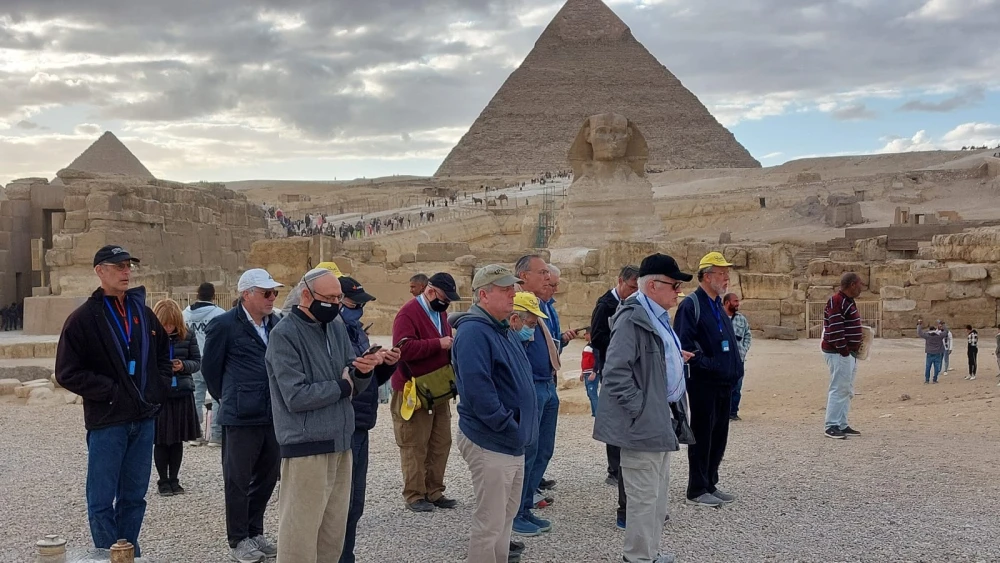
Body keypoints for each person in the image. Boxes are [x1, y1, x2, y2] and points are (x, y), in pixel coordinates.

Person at [55, 245, 171, 557]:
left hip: (143, 419)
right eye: (118, 266)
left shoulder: (142, 313)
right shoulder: (82, 319)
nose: (126, 272)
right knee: (102, 498)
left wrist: (156, 387)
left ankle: (128, 551)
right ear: (100, 272)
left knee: (135, 496)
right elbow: (66, 372)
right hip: (108, 421)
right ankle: (108, 553)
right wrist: (110, 391)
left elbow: (164, 354)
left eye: (128, 266)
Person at [265, 268, 382, 563]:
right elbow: (296, 395)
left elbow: (350, 379)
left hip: (340, 443)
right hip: (307, 448)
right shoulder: (284, 335)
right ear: (306, 295)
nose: (334, 304)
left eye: (337, 298)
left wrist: (362, 371)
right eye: (328, 298)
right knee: (299, 540)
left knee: (332, 538)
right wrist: (344, 384)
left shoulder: (336, 329)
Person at [594, 253, 694, 563]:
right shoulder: (631, 318)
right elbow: (615, 373)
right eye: (674, 284)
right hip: (643, 424)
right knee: (643, 497)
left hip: (660, 419)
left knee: (657, 496)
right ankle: (637, 557)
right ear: (652, 286)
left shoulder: (657, 317)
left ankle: (649, 553)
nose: (678, 291)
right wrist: (642, 408)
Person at [452, 266, 538, 563]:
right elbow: (478, 392)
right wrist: (509, 424)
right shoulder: (474, 332)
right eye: (505, 289)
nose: (513, 294)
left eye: (512, 288)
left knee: (505, 518)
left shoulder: (502, 328)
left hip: (511, 441)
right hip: (493, 439)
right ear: (484, 294)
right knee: (489, 522)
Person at [202, 268, 284, 563]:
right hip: (241, 415)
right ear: (246, 294)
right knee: (237, 479)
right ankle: (238, 538)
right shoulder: (224, 325)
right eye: (266, 293)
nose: (272, 297)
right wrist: (231, 396)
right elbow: (211, 369)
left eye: (274, 292)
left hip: (273, 414)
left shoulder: (277, 323)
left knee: (267, 476)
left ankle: (254, 530)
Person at [337, 276, 401, 563]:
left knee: (354, 503)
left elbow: (367, 381)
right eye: (355, 303)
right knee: (340, 502)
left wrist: (386, 365)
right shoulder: (333, 332)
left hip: (361, 423)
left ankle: (345, 556)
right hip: (342, 423)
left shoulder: (356, 331)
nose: (359, 309)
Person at [674, 251, 741, 507]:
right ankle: (697, 488)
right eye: (722, 273)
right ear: (707, 275)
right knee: (703, 434)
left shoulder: (717, 304)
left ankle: (710, 482)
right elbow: (684, 345)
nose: (726, 278)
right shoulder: (692, 305)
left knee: (719, 435)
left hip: (724, 382)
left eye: (727, 273)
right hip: (704, 382)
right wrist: (708, 364)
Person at [390, 272, 461, 512]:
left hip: (437, 388)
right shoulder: (407, 314)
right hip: (414, 390)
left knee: (441, 441)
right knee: (414, 443)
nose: (446, 303)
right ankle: (414, 494)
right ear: (430, 292)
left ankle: (434, 490)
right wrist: (437, 344)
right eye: (443, 298)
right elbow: (403, 348)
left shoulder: (440, 311)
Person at [587, 264, 640, 527]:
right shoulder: (606, 304)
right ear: (620, 281)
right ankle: (614, 469)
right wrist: (622, 342)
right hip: (612, 367)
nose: (634, 292)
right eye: (631, 287)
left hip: (627, 370)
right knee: (615, 420)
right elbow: (597, 338)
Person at [511, 256, 561, 535]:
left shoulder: (540, 304)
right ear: (523, 276)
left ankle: (526, 505)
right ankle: (516, 511)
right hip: (530, 386)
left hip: (547, 383)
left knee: (543, 449)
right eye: (541, 272)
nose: (546, 277)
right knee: (527, 452)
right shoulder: (516, 306)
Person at [151, 299, 202, 496]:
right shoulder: (151, 338)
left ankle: (175, 479)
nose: (168, 327)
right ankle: (162, 480)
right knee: (161, 440)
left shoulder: (187, 335)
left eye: (171, 323)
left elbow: (197, 362)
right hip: (161, 395)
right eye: (165, 324)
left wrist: (183, 366)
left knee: (177, 440)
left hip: (181, 391)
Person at [821, 273, 866, 439]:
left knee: (847, 389)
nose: (862, 287)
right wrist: (844, 351)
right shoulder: (836, 301)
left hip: (848, 353)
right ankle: (831, 425)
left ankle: (841, 423)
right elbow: (835, 328)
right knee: (838, 388)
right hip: (839, 353)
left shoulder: (848, 301)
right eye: (860, 284)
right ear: (853, 284)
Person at [183, 282, 227, 446]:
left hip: (193, 359)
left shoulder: (185, 314)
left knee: (195, 398)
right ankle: (216, 435)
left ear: (197, 294)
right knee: (217, 397)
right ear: (213, 295)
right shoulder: (219, 314)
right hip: (213, 360)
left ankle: (195, 434)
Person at [724, 293, 752, 421]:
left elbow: (747, 335)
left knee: (737, 386)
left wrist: (744, 350)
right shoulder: (718, 318)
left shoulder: (741, 319)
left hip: (738, 359)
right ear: (727, 303)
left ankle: (733, 412)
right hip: (723, 359)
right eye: (735, 301)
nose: (737, 304)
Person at [917, 319, 946, 385]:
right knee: (937, 368)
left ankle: (927, 380)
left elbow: (919, 333)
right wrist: (943, 324)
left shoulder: (927, 336)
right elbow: (946, 332)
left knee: (928, 367)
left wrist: (919, 324)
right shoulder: (939, 336)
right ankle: (935, 379)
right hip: (937, 353)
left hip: (929, 353)